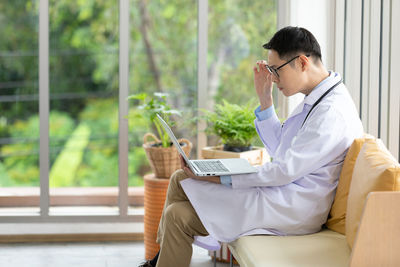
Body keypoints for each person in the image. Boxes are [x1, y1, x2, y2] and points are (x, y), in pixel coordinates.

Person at [139, 26, 364, 267]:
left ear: (301, 62)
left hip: (293, 208)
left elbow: (283, 171)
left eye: (275, 70)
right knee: (178, 179)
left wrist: (218, 177)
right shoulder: (317, 99)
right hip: (283, 193)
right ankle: (159, 262)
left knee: (177, 216)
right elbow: (282, 153)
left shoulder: (331, 113)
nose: (273, 78)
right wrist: (265, 99)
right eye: (270, 70)